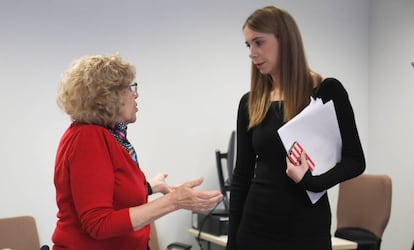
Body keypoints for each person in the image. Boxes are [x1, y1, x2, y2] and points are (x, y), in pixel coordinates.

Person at [226, 6, 365, 250]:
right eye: (248, 45)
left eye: (259, 42)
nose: (252, 53)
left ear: (285, 40)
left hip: (305, 227)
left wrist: (313, 182)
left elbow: (355, 161)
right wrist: (232, 241)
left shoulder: (326, 91)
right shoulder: (250, 102)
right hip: (255, 226)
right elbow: (242, 175)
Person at [52, 54, 222, 250]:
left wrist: (149, 187)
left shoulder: (107, 135)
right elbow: (98, 224)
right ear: (107, 97)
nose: (135, 94)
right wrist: (173, 202)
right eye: (128, 88)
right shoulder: (88, 137)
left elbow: (108, 190)